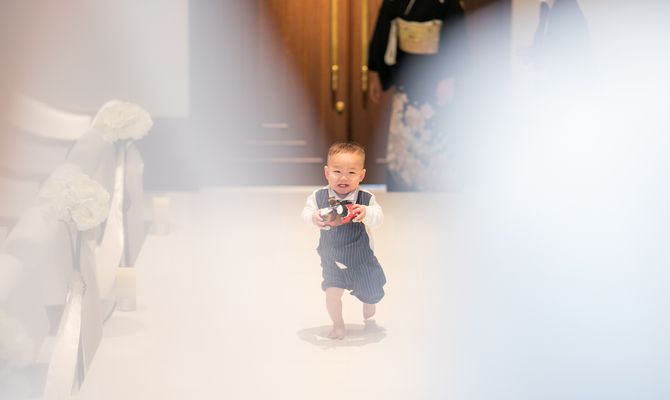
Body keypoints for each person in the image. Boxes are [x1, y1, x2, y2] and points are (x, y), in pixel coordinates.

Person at [368, 0, 466, 191]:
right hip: (406, 78)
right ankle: (402, 188)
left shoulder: (448, 3)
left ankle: (438, 193)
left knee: (437, 141)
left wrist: (450, 76)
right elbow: (382, 32)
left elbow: (457, 36)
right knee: (403, 142)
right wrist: (374, 72)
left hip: (437, 79)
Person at [302, 142, 386, 340]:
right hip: (332, 258)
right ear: (327, 173)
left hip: (360, 258)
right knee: (332, 293)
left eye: (351, 172)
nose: (343, 177)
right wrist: (312, 217)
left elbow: (379, 218)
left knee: (372, 291)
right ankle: (338, 325)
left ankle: (369, 301)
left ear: (361, 175)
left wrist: (367, 213)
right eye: (337, 171)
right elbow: (305, 213)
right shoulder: (318, 196)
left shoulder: (365, 198)